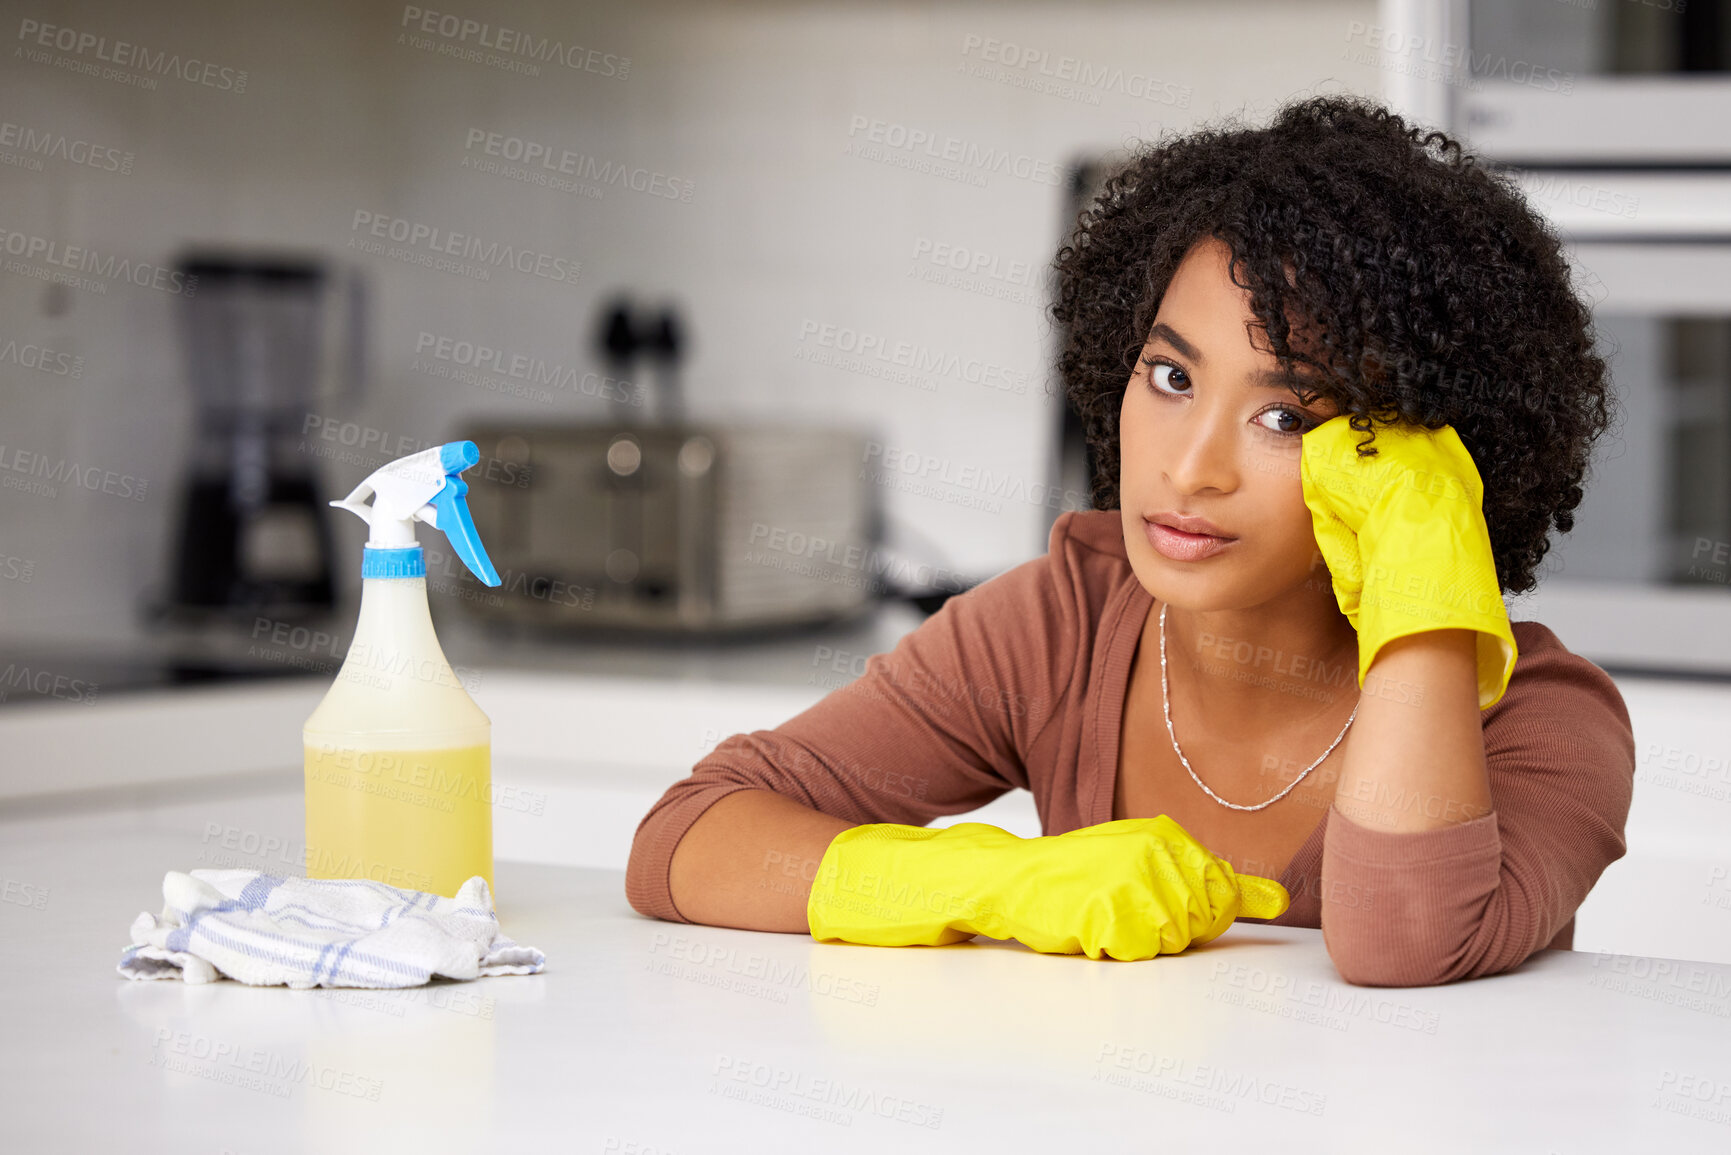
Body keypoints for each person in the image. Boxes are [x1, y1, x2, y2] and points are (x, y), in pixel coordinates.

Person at [624, 93, 1635, 988]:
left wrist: (1423, 556)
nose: (1190, 468)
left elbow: (1405, 944)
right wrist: (996, 879)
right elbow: (685, 837)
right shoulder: (1060, 623)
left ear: (1421, 459)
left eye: (1286, 417)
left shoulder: (1542, 722)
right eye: (1172, 377)